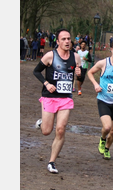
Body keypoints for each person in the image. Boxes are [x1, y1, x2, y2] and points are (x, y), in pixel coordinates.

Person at [33, 28, 81, 174]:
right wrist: (47, 84)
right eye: (64, 39)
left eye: (69, 39)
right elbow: (36, 71)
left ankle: (52, 162)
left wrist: (79, 74)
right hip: (49, 96)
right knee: (47, 131)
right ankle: (42, 123)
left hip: (65, 98)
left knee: (60, 129)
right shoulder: (50, 56)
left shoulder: (76, 57)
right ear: (58, 41)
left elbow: (79, 78)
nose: (67, 41)